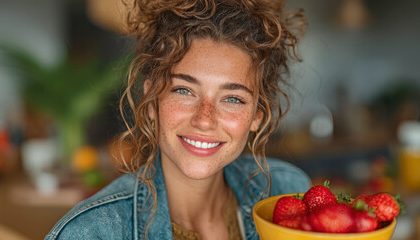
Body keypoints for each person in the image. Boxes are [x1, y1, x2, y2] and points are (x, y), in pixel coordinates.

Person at [45, 0, 311, 239]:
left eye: (232, 99)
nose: (204, 120)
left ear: (257, 116)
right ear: (151, 101)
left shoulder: (287, 191)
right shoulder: (93, 232)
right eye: (184, 90)